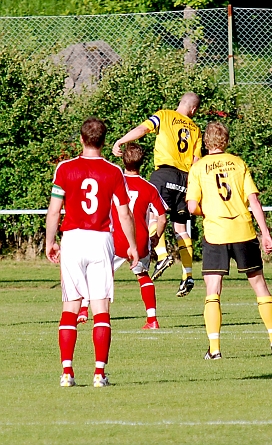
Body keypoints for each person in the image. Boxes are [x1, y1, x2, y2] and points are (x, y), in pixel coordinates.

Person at [46, 117, 139, 388]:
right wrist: (132, 245)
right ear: (103, 140)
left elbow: (54, 211)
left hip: (73, 239)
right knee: (100, 309)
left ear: (82, 139)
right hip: (100, 240)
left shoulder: (65, 169)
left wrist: (50, 241)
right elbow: (124, 213)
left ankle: (67, 373)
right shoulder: (113, 172)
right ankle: (99, 374)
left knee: (70, 307)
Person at [186, 121, 272, 359]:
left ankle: (215, 349)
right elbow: (253, 200)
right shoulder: (238, 163)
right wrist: (266, 233)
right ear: (226, 141)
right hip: (243, 230)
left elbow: (191, 206)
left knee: (213, 291)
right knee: (259, 285)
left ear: (205, 142)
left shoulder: (198, 168)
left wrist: (208, 211)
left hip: (216, 233)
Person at [112, 92, 202, 298]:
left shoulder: (165, 115)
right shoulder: (196, 129)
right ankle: (187, 275)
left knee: (153, 215)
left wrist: (121, 140)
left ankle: (161, 255)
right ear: (194, 110)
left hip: (165, 173)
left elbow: (143, 129)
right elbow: (196, 160)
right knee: (180, 227)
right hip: (186, 179)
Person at [76, 143, 168, 329]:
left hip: (115, 238)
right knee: (143, 276)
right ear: (143, 162)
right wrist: (156, 236)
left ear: (123, 160)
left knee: (96, 274)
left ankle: (85, 309)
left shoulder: (113, 181)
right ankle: (152, 319)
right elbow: (163, 218)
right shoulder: (149, 188)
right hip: (140, 239)